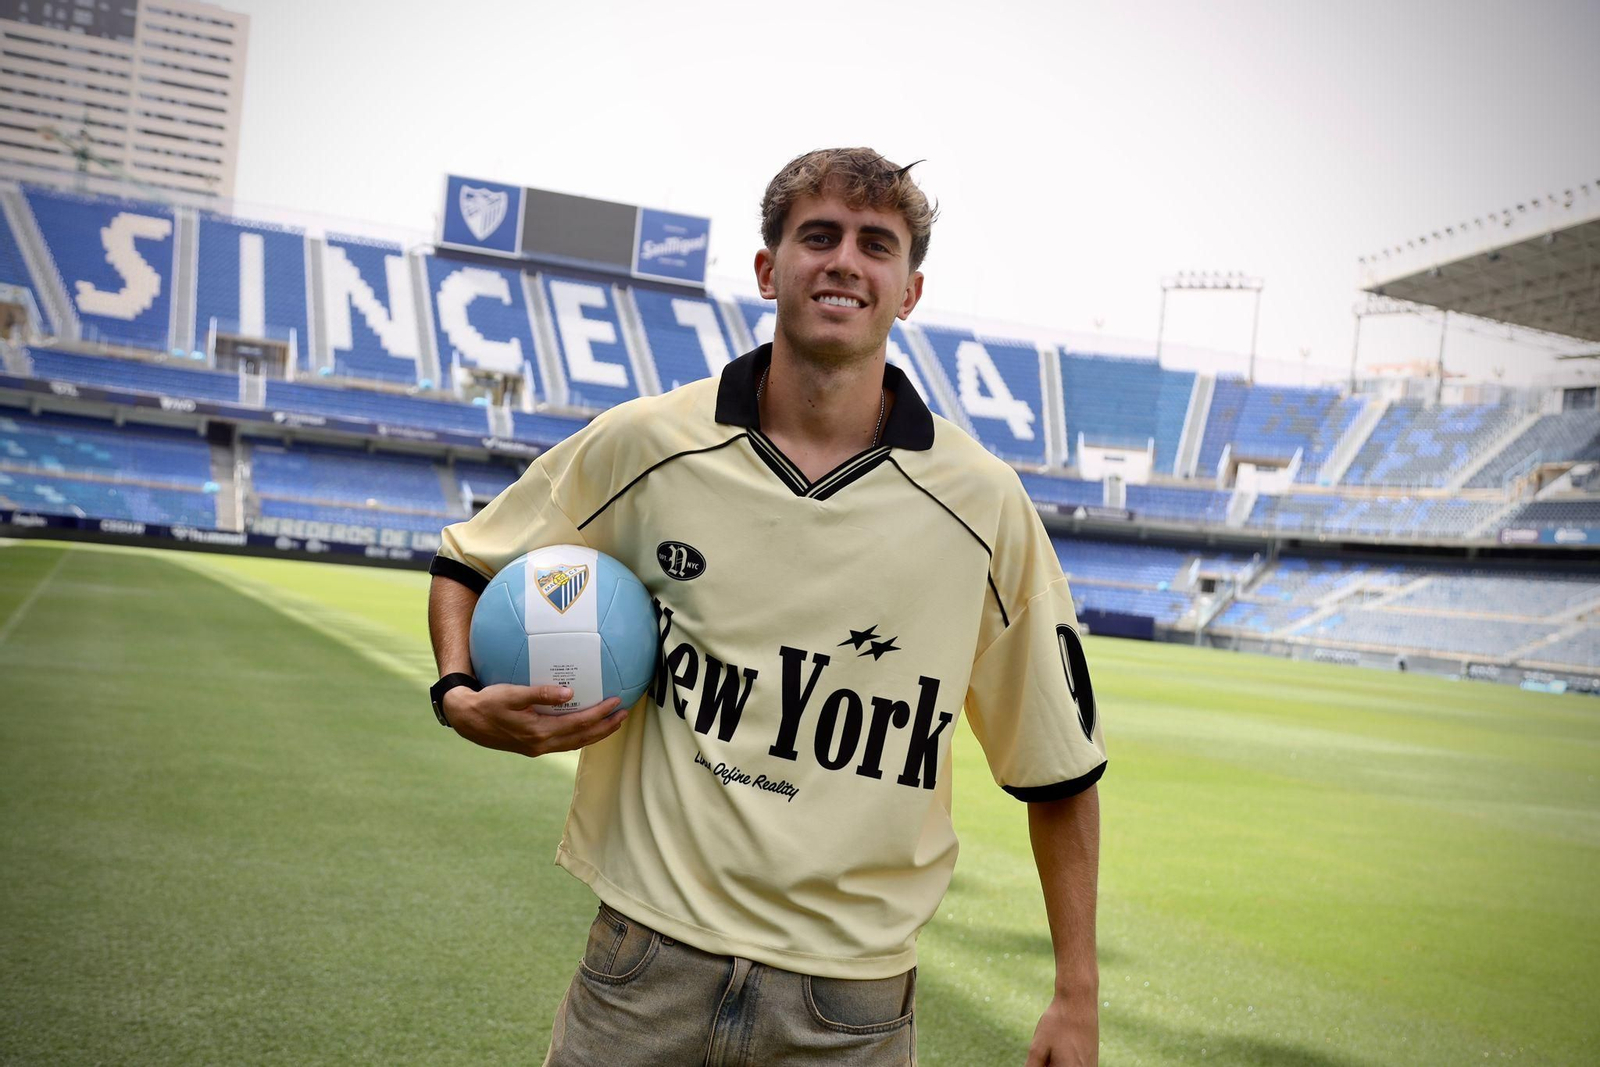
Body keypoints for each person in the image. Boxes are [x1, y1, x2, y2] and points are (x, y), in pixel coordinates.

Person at [426, 147, 1107, 1066]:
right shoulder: (647, 443)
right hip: (643, 966)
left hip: (849, 1011)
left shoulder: (984, 505)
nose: (844, 261)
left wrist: (1076, 993)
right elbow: (470, 560)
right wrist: (459, 693)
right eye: (816, 236)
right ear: (767, 268)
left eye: (877, 244)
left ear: (908, 291)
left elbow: (1058, 770)